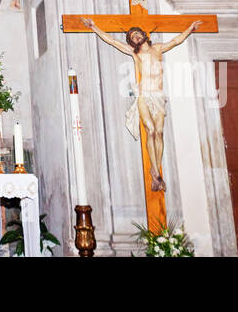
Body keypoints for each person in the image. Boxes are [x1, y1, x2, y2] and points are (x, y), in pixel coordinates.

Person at [85, 19, 203, 192]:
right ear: (132, 41)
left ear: (144, 35)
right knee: (150, 130)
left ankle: (156, 168)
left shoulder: (158, 48)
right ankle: (155, 172)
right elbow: (112, 41)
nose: (136, 36)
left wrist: (190, 28)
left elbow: (176, 40)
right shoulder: (135, 53)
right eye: (132, 36)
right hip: (144, 95)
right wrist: (94, 27)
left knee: (160, 133)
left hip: (158, 95)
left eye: (137, 33)